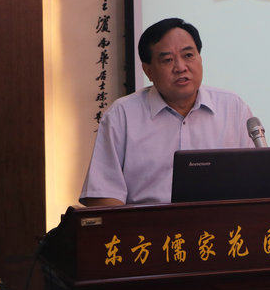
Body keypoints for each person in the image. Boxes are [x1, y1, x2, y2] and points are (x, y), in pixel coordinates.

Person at [79, 18, 254, 206]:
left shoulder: (233, 108)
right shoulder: (122, 116)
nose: (181, 67)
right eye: (168, 60)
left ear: (200, 58)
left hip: (221, 222)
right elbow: (102, 195)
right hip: (147, 223)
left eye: (188, 55)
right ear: (148, 71)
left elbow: (256, 182)